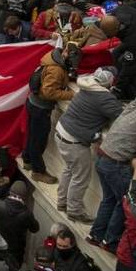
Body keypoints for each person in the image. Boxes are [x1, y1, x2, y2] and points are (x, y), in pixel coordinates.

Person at [88, 94, 136, 252]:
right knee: (124, 202)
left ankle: (95, 235)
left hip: (103, 157)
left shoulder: (132, 106)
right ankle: (110, 241)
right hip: (117, 164)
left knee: (108, 199)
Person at [55, 66, 124, 222]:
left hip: (61, 132)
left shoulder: (86, 85)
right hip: (74, 141)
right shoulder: (105, 98)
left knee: (69, 170)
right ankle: (74, 211)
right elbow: (120, 115)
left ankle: (62, 202)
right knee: (81, 177)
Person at [22, 45, 75, 184]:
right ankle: (38, 172)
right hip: (41, 108)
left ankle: (27, 160)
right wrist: (70, 94)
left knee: (32, 136)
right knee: (38, 142)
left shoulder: (52, 57)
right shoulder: (57, 69)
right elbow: (48, 92)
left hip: (33, 103)